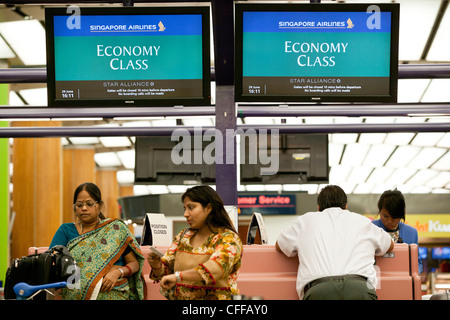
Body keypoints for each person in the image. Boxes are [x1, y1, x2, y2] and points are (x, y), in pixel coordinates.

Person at [276, 185, 394, 300]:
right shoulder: (363, 221)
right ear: (346, 206)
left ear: (318, 207)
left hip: (319, 291)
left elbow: (279, 244)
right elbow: (390, 244)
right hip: (360, 289)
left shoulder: (304, 221)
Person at [50, 182, 145, 300]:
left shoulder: (115, 230)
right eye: (79, 205)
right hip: (74, 295)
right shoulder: (65, 231)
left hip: (114, 292)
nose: (84, 208)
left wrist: (118, 272)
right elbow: (53, 263)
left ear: (99, 205)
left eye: (89, 204)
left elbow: (134, 264)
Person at [147, 185, 243, 300]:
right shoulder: (184, 236)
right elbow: (167, 270)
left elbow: (214, 270)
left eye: (191, 207)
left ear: (208, 208)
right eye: (185, 208)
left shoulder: (228, 238)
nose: (185, 214)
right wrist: (157, 266)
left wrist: (178, 276)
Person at [372, 189, 423, 274]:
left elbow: (418, 263)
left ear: (401, 215)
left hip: (402, 281)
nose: (389, 221)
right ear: (379, 210)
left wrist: (411, 274)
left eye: (394, 217)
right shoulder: (371, 228)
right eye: (385, 216)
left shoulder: (411, 233)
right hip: (377, 281)